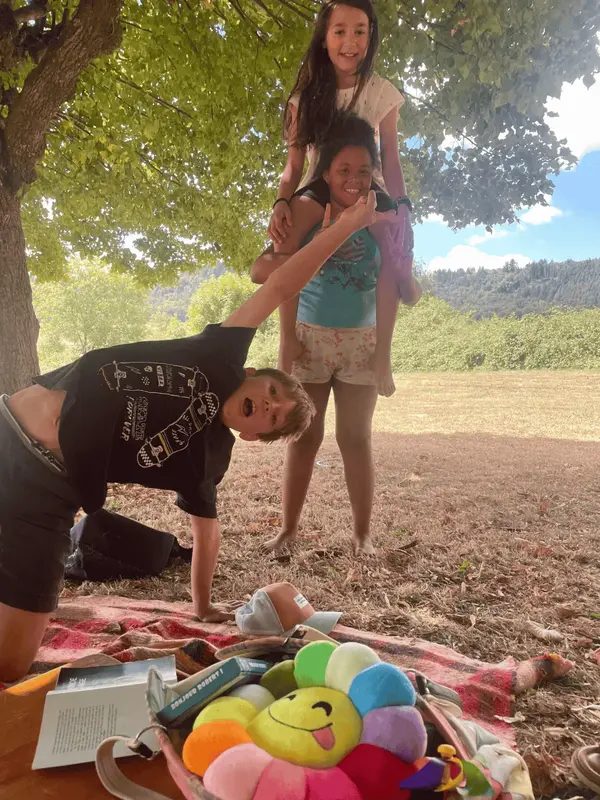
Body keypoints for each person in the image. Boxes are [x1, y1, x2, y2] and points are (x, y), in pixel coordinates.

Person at [0, 191, 379, 683]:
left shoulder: (207, 461)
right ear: (248, 373)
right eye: (271, 391)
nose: (271, 405)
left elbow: (207, 533)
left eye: (274, 417)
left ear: (251, 435)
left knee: (11, 663)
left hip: (50, 497)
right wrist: (346, 227)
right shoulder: (218, 354)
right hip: (10, 430)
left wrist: (202, 608)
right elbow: (282, 285)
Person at [251, 116, 421, 559]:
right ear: (326, 172)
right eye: (343, 170)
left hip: (360, 343)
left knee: (355, 438)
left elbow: (391, 286)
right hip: (310, 339)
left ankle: (362, 536)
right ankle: (287, 530)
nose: (354, 179)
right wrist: (286, 340)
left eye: (363, 171)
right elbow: (281, 270)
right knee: (305, 435)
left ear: (373, 174)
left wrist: (382, 355)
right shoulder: (311, 207)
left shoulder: (379, 212)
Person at [267, 0, 412, 396]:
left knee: (391, 245)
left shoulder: (382, 94)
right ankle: (287, 339)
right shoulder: (304, 99)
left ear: (371, 36)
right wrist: (281, 201)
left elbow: (392, 160)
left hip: (368, 186)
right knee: (285, 235)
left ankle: (382, 352)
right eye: (340, 31)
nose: (350, 41)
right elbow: (293, 167)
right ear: (325, 38)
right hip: (320, 184)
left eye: (360, 31)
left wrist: (403, 208)